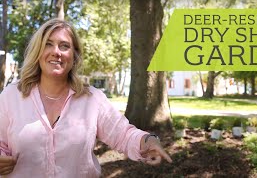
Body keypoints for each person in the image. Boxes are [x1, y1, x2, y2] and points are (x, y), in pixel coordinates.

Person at [0, 18, 172, 177]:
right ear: (38, 51)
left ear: (74, 56)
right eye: (48, 44)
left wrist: (149, 141)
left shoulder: (92, 99)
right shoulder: (11, 96)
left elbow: (123, 135)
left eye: (64, 46)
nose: (56, 52)